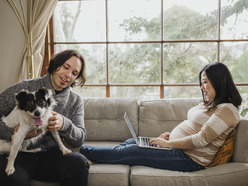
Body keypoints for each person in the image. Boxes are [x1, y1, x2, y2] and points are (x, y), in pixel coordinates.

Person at [80, 62, 242, 172]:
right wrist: (170, 136)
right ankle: (101, 159)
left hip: (190, 159)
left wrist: (168, 143)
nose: (202, 87)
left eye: (205, 82)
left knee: (132, 149)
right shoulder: (212, 103)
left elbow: (201, 139)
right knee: (131, 142)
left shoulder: (227, 110)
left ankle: (78, 151)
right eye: (201, 82)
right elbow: (194, 126)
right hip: (178, 149)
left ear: (219, 81)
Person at [0, 49, 89, 186]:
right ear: (55, 64)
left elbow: (80, 139)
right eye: (66, 67)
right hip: (18, 154)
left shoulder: (75, 101)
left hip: (50, 155)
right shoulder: (25, 87)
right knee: (12, 178)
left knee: (79, 163)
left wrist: (65, 124)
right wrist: (11, 132)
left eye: (74, 73)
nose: (68, 75)